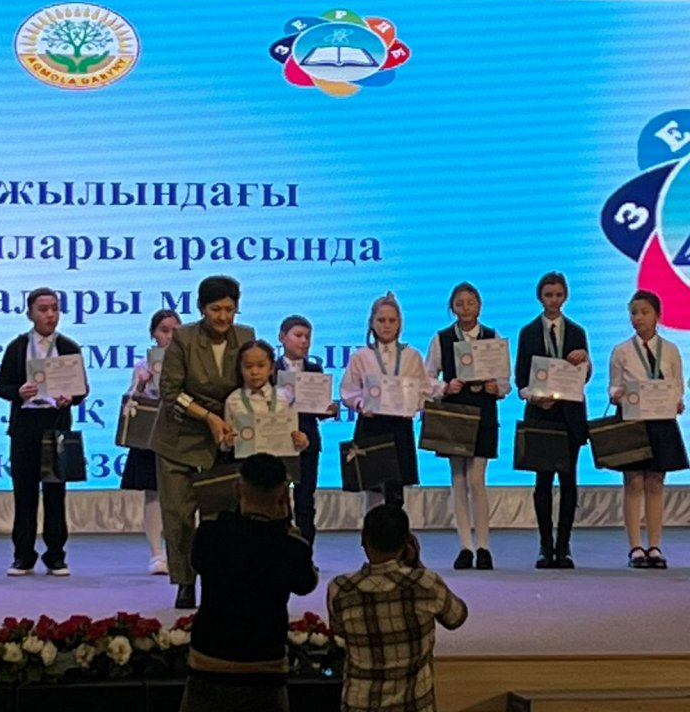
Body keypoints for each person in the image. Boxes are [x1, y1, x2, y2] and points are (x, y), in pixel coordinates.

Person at [180, 453, 318, 712]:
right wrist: (286, 524)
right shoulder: (291, 546)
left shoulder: (209, 535)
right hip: (266, 667)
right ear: (284, 496)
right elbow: (306, 583)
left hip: (208, 662)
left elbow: (197, 562)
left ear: (237, 489)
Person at [151, 274, 254, 609]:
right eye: (215, 309)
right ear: (201, 308)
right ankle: (184, 581)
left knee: (220, 518)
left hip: (225, 438)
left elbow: (253, 383)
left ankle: (217, 580)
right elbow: (170, 392)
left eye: (229, 309)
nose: (223, 317)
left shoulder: (246, 336)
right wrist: (208, 417)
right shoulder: (183, 338)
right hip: (180, 436)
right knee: (179, 516)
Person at [327, 505, 468, 712]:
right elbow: (457, 617)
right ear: (407, 543)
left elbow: (338, 630)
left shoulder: (341, 589)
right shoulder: (426, 583)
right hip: (415, 705)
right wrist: (417, 565)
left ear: (363, 540)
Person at [0, 287, 88, 577]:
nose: (50, 315)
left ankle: (56, 555)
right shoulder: (18, 347)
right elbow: (2, 387)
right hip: (25, 427)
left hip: (56, 425)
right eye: (43, 309)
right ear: (30, 314)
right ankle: (23, 555)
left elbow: (82, 390)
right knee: (24, 493)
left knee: (55, 493)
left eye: (55, 309)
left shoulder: (69, 346)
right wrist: (19, 392)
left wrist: (71, 397)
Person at [425, 282, 510, 570]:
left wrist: (496, 387)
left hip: (484, 412)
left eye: (470, 302)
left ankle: (484, 545)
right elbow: (427, 377)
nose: (465, 308)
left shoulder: (492, 337)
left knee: (477, 479)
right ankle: (465, 546)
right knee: (458, 478)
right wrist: (444, 387)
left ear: (479, 305)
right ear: (452, 307)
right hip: (455, 413)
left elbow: (505, 380)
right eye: (459, 303)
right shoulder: (442, 338)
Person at [514, 271, 591, 569]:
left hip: (570, 416)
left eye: (558, 295)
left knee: (569, 482)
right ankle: (545, 545)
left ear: (566, 296)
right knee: (543, 481)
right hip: (541, 415)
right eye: (549, 295)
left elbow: (585, 376)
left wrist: (585, 362)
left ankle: (564, 546)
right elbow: (521, 379)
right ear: (540, 297)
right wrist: (533, 397)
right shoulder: (528, 332)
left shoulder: (577, 332)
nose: (554, 300)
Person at [608, 289, 688, 569]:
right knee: (633, 483)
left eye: (644, 312)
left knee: (655, 483)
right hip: (632, 421)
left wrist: (677, 401)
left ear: (657, 316)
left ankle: (654, 545)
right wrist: (617, 395)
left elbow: (677, 383)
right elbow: (613, 386)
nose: (638, 318)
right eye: (633, 313)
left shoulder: (670, 350)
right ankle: (634, 547)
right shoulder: (621, 350)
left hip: (661, 421)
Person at [340, 293, 429, 508]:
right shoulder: (361, 356)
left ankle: (396, 529)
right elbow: (348, 390)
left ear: (400, 323)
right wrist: (361, 404)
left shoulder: (412, 355)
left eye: (392, 320)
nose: (387, 325)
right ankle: (371, 528)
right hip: (372, 425)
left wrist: (414, 405)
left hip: (400, 427)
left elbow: (423, 389)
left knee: (396, 492)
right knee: (372, 490)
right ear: (372, 323)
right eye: (381, 320)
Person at [120, 308, 181, 575]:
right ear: (153, 334)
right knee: (153, 492)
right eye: (164, 330)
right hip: (150, 432)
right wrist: (142, 385)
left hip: (179, 430)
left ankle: (179, 550)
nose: (169, 336)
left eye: (175, 330)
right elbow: (130, 403)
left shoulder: (188, 362)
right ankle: (157, 553)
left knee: (180, 493)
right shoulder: (142, 365)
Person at [274, 314, 338, 545]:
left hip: (308, 442)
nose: (303, 341)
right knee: (277, 498)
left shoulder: (314, 369)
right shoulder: (271, 369)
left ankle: (305, 550)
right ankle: (278, 547)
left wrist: (330, 409)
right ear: (282, 337)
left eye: (307, 337)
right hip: (277, 442)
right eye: (298, 335)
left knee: (305, 500)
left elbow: (317, 409)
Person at [223, 338, 310, 457]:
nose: (254, 372)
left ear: (271, 368)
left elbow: (296, 437)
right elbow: (226, 443)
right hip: (245, 464)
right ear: (240, 369)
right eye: (248, 366)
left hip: (281, 463)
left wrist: (302, 442)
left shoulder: (286, 397)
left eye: (261, 366)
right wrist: (227, 443)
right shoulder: (233, 400)